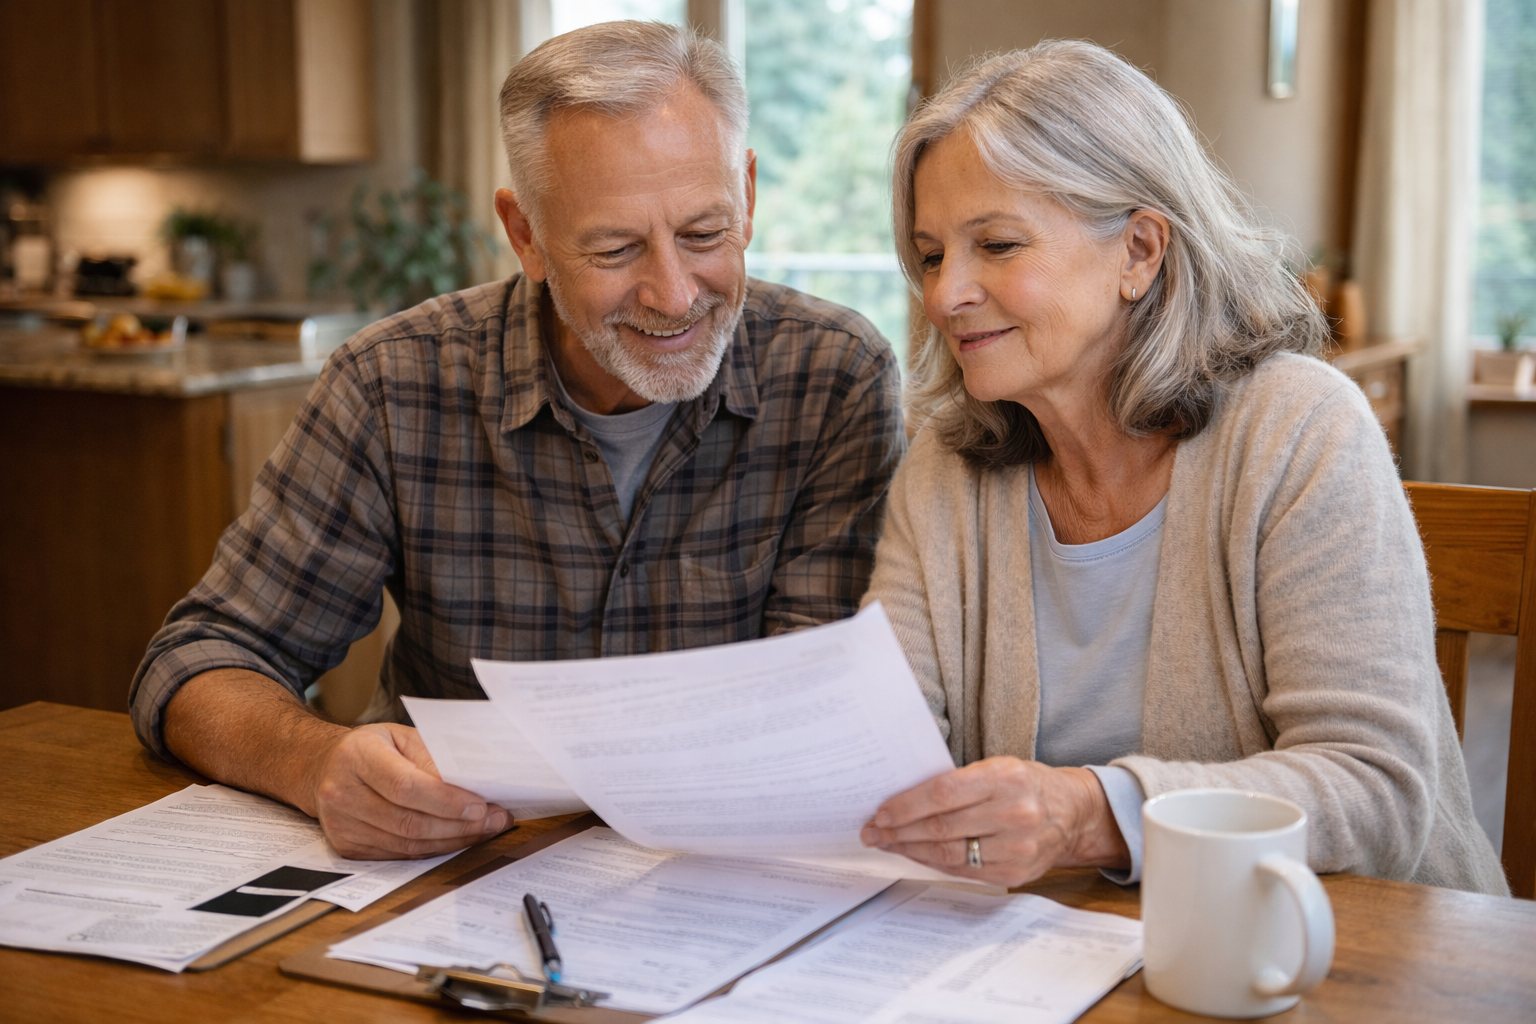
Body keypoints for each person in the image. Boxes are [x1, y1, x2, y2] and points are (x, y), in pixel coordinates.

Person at [130, 22, 903, 860]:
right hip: (450, 869)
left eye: (705, 234)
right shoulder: (393, 384)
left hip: (719, 874)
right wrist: (316, 761)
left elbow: (813, 703)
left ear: (747, 193)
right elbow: (198, 659)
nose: (675, 294)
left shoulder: (834, 377)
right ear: (526, 234)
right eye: (615, 248)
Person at [857, 40, 1508, 896]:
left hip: (1346, 955)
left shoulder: (1300, 429)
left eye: (999, 245)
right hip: (1058, 958)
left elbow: (1375, 793)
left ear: (1139, 252)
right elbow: (879, 742)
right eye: (934, 255)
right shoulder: (945, 466)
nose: (944, 296)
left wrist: (1092, 812)